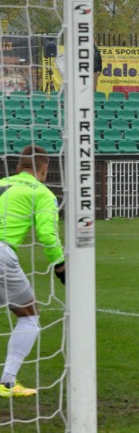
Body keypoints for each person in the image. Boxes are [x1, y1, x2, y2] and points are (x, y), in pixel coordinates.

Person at [1, 146, 65, 398]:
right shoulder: (42, 192)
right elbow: (47, 234)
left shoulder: (3, 182)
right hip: (1, 253)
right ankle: (6, 382)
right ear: (44, 168)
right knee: (29, 315)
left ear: (18, 167)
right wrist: (60, 265)